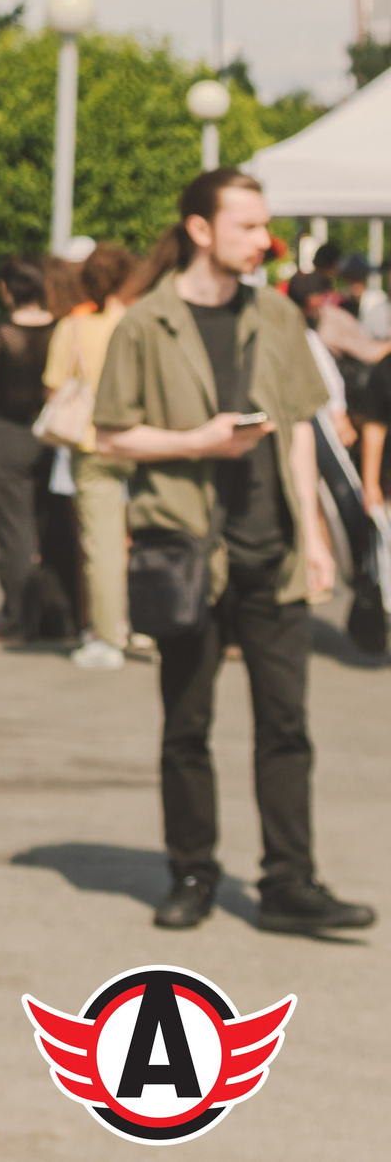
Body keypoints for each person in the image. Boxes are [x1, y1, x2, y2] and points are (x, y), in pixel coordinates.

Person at [93, 169, 376, 937]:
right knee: (186, 725)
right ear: (199, 229)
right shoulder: (146, 323)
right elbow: (109, 433)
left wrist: (315, 539)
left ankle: (290, 882)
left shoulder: (276, 316)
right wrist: (197, 442)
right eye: (248, 226)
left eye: (264, 224)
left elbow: (299, 429)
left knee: (286, 725)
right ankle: (191, 873)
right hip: (186, 550)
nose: (264, 240)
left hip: (271, 552)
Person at [0, 255, 79, 643]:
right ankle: (62, 616)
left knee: (14, 532)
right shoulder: (61, 329)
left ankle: (20, 617)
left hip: (9, 435)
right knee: (56, 527)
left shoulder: (0, 333)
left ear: (6, 289)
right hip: (53, 436)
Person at [45, 242, 142, 669]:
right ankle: (153, 621)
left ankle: (107, 634)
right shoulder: (144, 323)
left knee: (102, 546)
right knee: (154, 535)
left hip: (93, 443)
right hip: (146, 439)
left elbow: (53, 386)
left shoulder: (74, 327)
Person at [289, 270, 387, 651]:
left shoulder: (313, 330)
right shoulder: (303, 332)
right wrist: (337, 414)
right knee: (330, 499)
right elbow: (327, 382)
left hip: (323, 419)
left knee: (325, 502)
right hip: (316, 421)